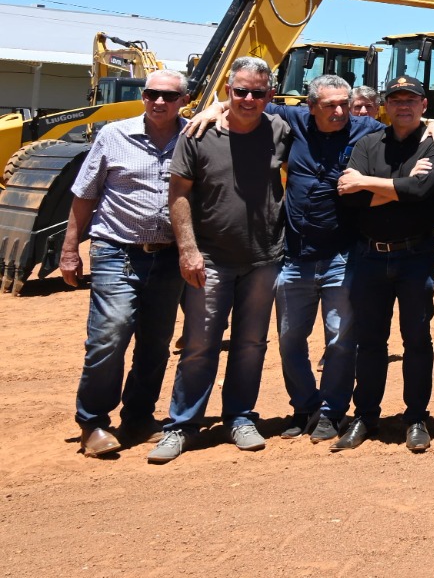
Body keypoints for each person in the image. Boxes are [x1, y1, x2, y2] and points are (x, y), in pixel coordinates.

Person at [186, 73, 389, 443]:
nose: (340, 111)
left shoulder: (366, 128)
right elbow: (250, 101)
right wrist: (216, 106)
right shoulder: (293, 120)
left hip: (341, 256)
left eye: (345, 103)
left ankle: (330, 411)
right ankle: (305, 405)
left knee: (340, 340)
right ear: (311, 107)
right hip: (293, 257)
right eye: (330, 105)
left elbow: (411, 122)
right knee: (289, 340)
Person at [149, 57, 294, 463]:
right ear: (227, 90)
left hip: (264, 258)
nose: (248, 99)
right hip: (210, 258)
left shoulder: (280, 130)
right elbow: (178, 194)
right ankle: (181, 425)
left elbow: (343, 118)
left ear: (270, 95)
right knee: (199, 343)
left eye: (258, 92)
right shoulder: (199, 132)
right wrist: (188, 249)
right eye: (240, 91)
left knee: (251, 343)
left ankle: (240, 417)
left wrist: (431, 123)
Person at [61, 69, 190, 457]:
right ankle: (93, 422)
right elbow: (84, 194)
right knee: (110, 334)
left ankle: (138, 415)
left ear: (185, 100)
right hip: (117, 250)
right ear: (144, 96)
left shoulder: (195, 136)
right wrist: (70, 250)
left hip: (169, 256)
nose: (159, 102)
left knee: (156, 343)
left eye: (169, 96)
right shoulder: (113, 135)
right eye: (152, 94)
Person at [333, 74, 434, 452]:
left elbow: (421, 192)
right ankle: (365, 416)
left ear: (423, 105)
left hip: (416, 255)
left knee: (417, 339)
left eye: (411, 99)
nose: (403, 105)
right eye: (396, 99)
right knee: (370, 342)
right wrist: (400, 187)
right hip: (370, 255)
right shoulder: (368, 143)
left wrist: (368, 182)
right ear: (386, 104)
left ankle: (415, 417)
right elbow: (347, 199)